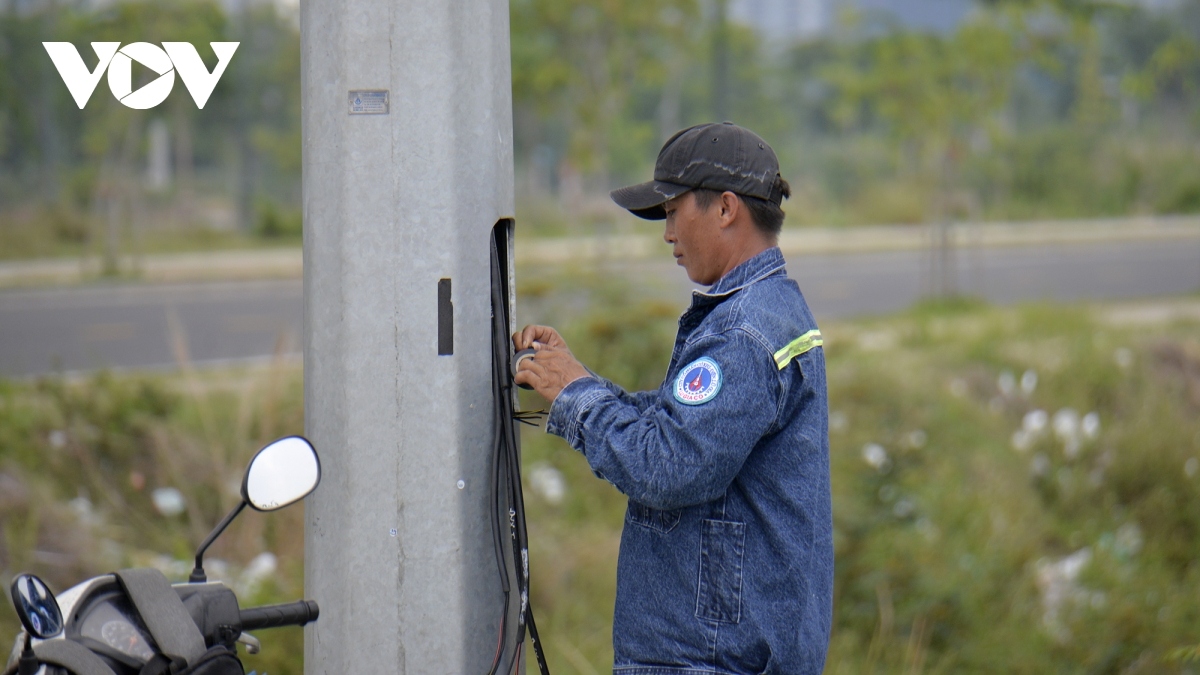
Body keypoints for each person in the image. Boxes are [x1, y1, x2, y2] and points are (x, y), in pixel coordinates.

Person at [513, 122, 832, 675]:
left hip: (708, 660)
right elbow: (683, 428)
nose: (666, 234)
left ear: (726, 208)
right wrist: (575, 380)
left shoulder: (741, 334)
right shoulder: (767, 311)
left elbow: (668, 466)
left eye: (672, 211)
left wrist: (577, 396)